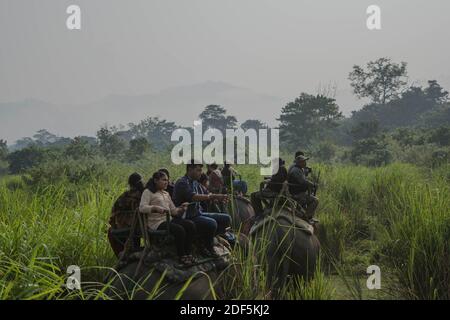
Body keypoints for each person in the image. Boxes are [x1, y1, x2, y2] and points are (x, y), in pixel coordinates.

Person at [173, 160, 231, 257]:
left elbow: (206, 194)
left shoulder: (196, 183)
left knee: (226, 218)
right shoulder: (182, 182)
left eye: (201, 170)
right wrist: (213, 197)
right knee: (212, 223)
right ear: (190, 170)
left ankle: (204, 239)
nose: (201, 172)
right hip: (187, 216)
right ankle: (207, 246)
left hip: (197, 213)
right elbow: (193, 197)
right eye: (198, 170)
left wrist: (218, 198)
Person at [139, 171, 196, 266]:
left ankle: (188, 253)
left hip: (169, 219)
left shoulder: (166, 194)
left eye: (167, 180)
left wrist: (182, 208)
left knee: (190, 225)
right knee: (179, 230)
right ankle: (181, 255)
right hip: (156, 223)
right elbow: (142, 208)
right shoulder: (148, 192)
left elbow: (173, 211)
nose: (167, 182)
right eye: (164, 180)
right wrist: (155, 208)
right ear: (156, 180)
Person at [108, 172, 144, 257]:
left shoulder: (125, 196)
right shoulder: (144, 194)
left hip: (126, 228)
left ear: (129, 184)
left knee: (111, 232)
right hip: (141, 226)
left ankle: (121, 255)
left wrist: (113, 224)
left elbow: (113, 212)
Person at [287, 154, 319, 220]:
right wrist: (313, 184)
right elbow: (303, 181)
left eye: (305, 161)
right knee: (315, 200)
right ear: (299, 163)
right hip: (297, 194)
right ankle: (306, 216)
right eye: (303, 161)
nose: (305, 163)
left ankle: (302, 213)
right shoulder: (296, 171)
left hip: (297, 192)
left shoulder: (298, 169)